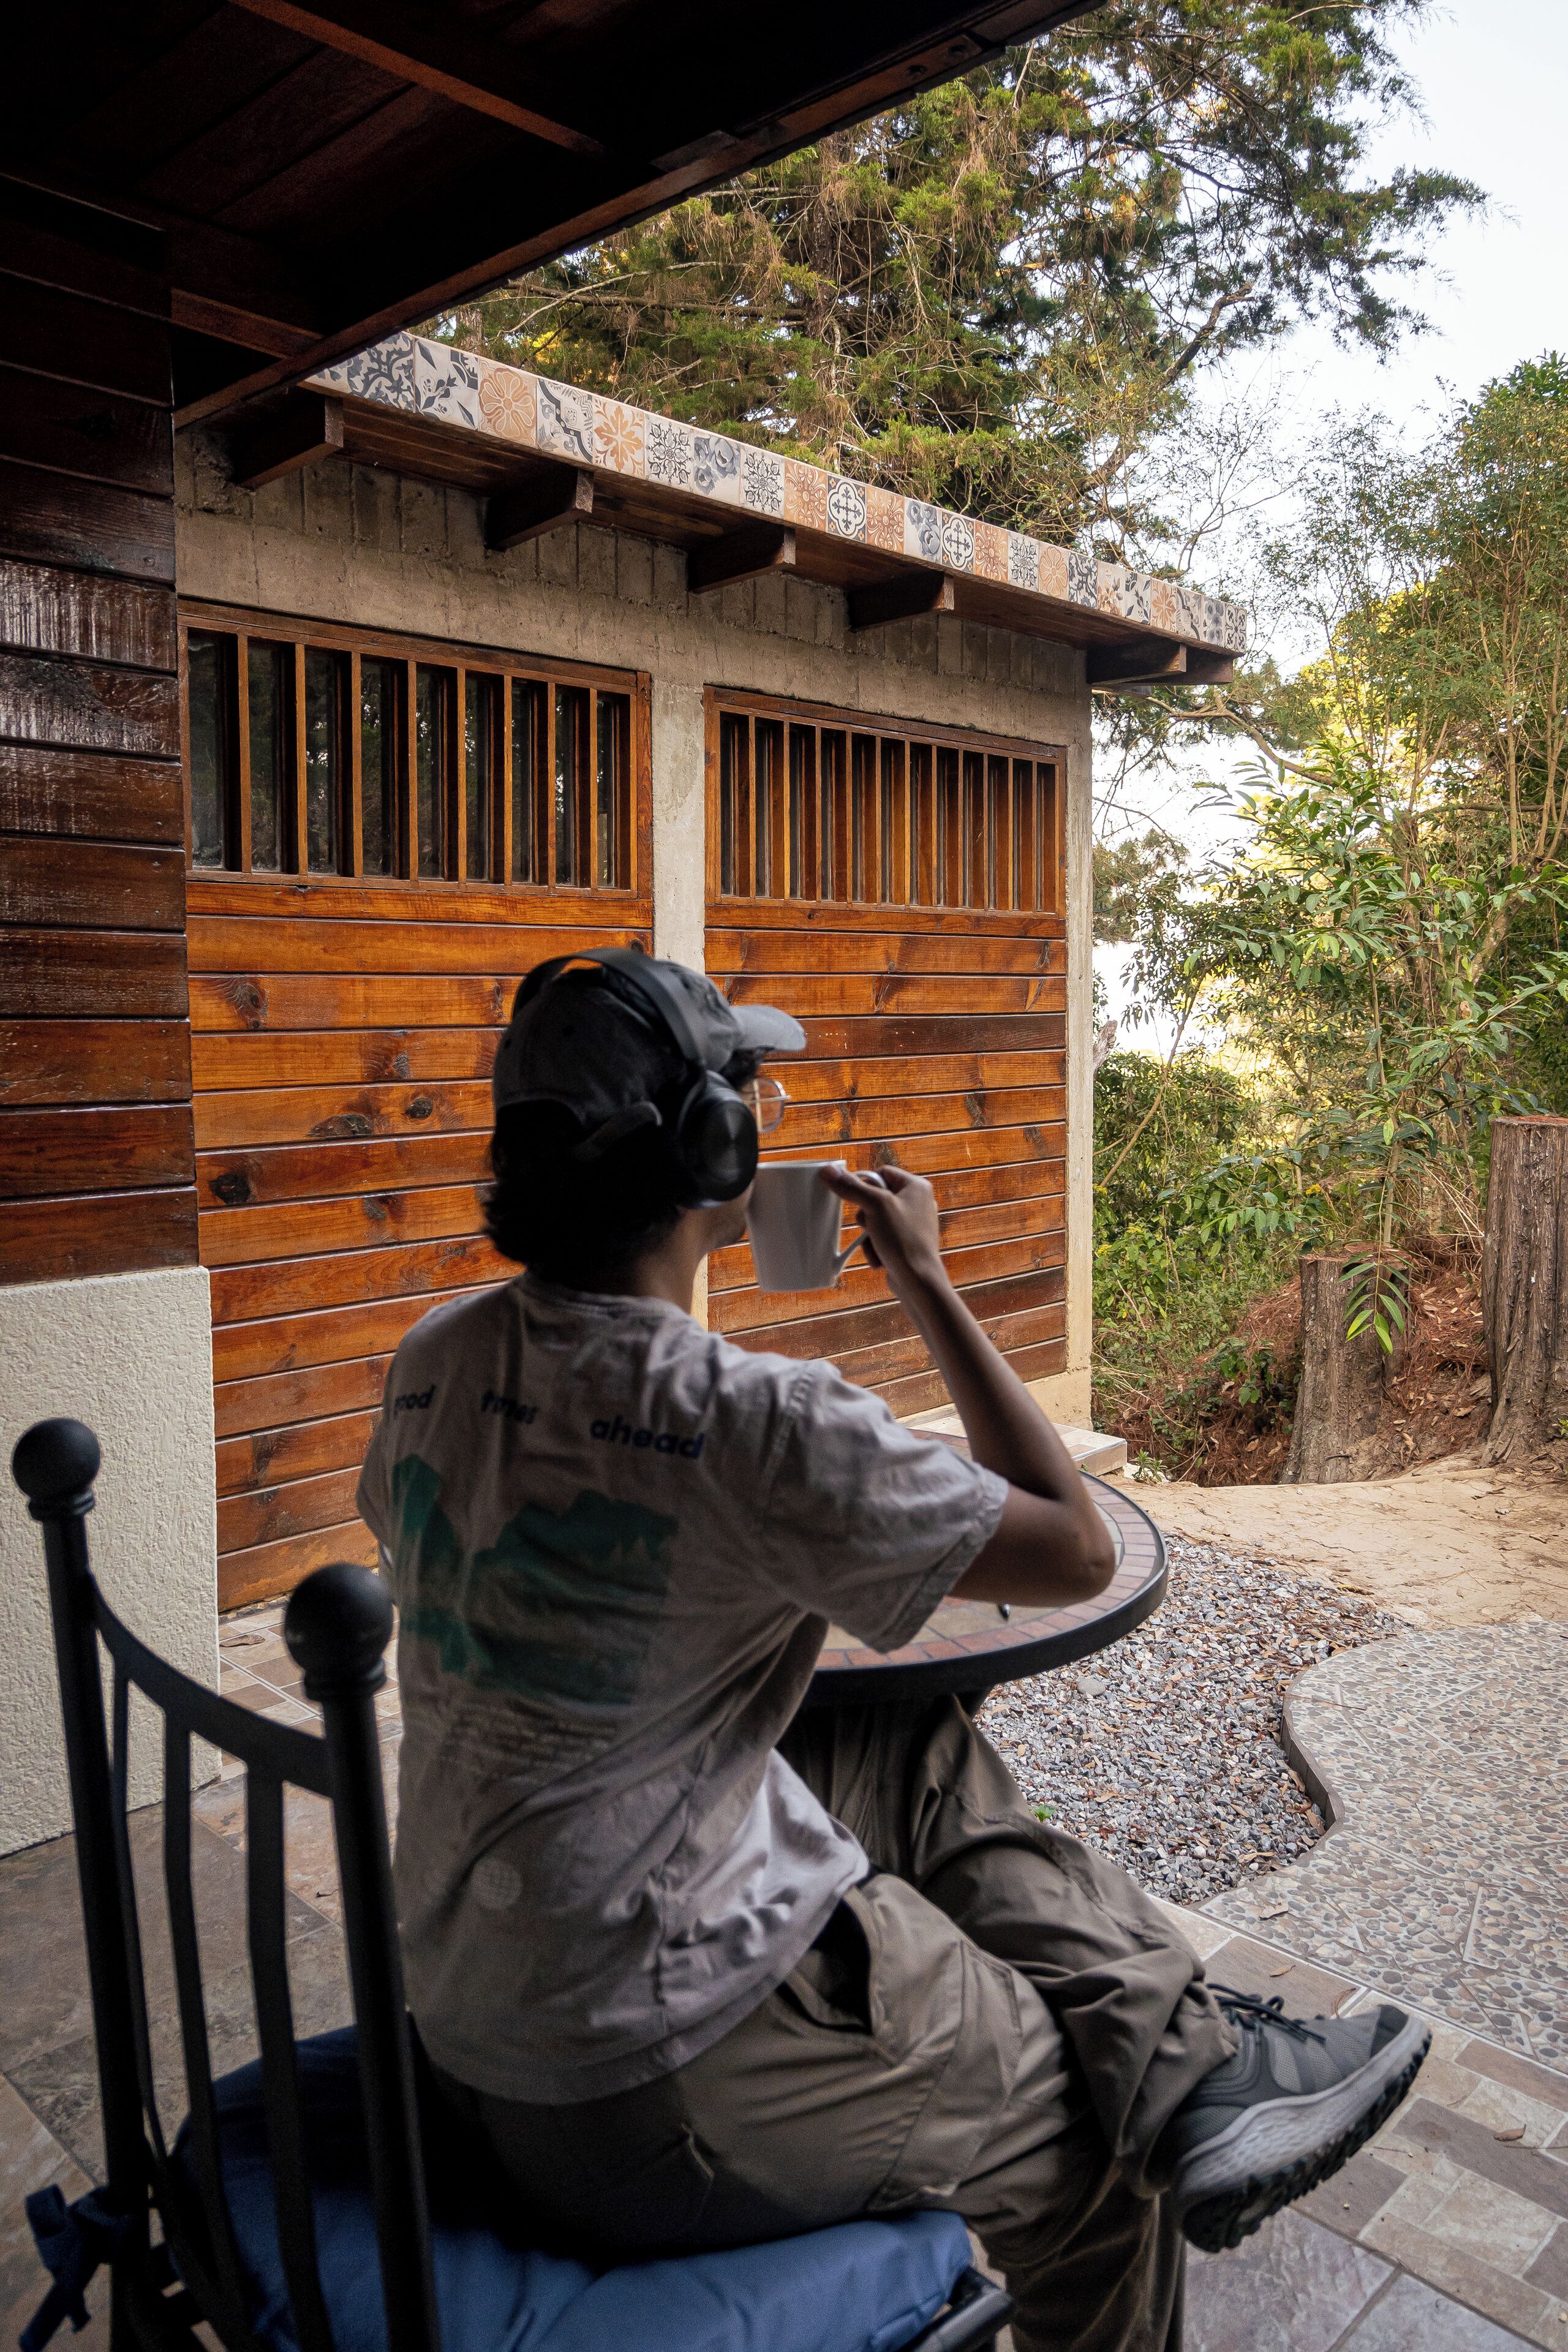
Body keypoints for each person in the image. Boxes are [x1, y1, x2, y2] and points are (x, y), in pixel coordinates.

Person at [357, 949, 1428, 2352]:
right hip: (647, 2078)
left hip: (469, 2011)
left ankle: (1195, 2061)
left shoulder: (432, 1360)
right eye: (748, 1094)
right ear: (713, 1149)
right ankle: (1170, 2089)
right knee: (1096, 2139)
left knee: (895, 1745)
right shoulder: (751, 1420)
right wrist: (924, 1277)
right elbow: (1074, 1547)